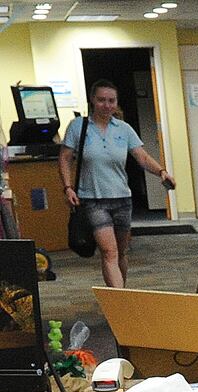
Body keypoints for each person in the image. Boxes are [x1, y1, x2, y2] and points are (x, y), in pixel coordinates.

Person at [58, 81, 173, 289]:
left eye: (111, 101)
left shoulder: (124, 129)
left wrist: (161, 172)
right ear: (92, 100)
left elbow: (142, 157)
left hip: (122, 199)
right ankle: (119, 304)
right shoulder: (79, 126)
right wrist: (67, 187)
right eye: (101, 100)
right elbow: (65, 158)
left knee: (121, 251)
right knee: (109, 252)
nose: (107, 105)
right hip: (93, 200)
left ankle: (120, 297)